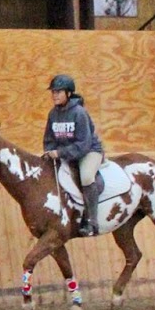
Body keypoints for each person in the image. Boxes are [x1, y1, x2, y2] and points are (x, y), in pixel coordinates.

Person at [43, 73, 105, 236]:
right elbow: (49, 138)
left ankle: (92, 220)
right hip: (66, 154)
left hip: (88, 152)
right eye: (53, 92)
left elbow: (83, 144)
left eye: (58, 92)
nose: (54, 95)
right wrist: (49, 152)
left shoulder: (79, 113)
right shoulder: (53, 114)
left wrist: (61, 152)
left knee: (85, 176)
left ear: (68, 93)